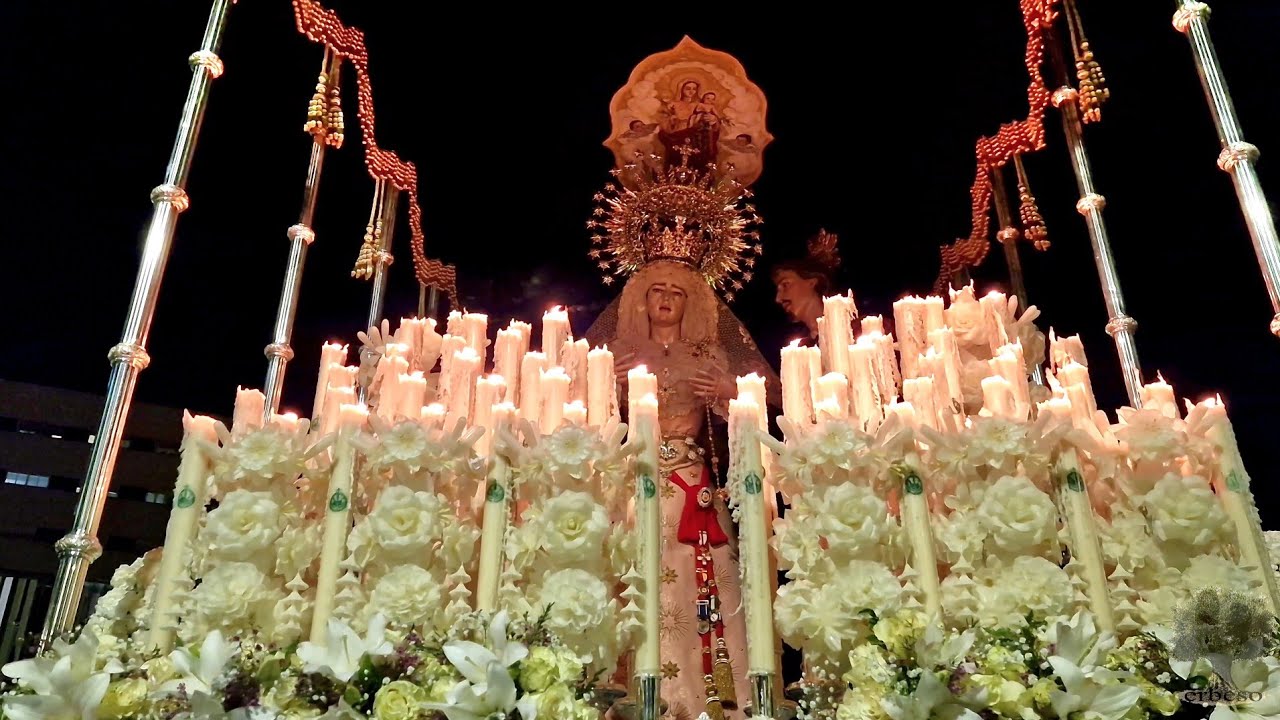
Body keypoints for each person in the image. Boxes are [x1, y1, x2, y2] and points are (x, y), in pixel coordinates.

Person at [587, 259, 777, 719]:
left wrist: (727, 388)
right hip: (635, 478)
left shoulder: (706, 353)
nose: (666, 298)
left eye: (677, 291)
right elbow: (583, 409)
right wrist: (602, 382)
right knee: (633, 571)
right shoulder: (618, 353)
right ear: (641, 298)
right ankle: (628, 691)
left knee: (703, 576)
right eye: (657, 290)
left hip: (690, 480)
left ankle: (712, 694)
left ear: (691, 303)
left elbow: (760, 399)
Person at [770, 228, 842, 344]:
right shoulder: (801, 349)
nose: (778, 299)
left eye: (785, 285)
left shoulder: (857, 331)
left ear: (811, 282)